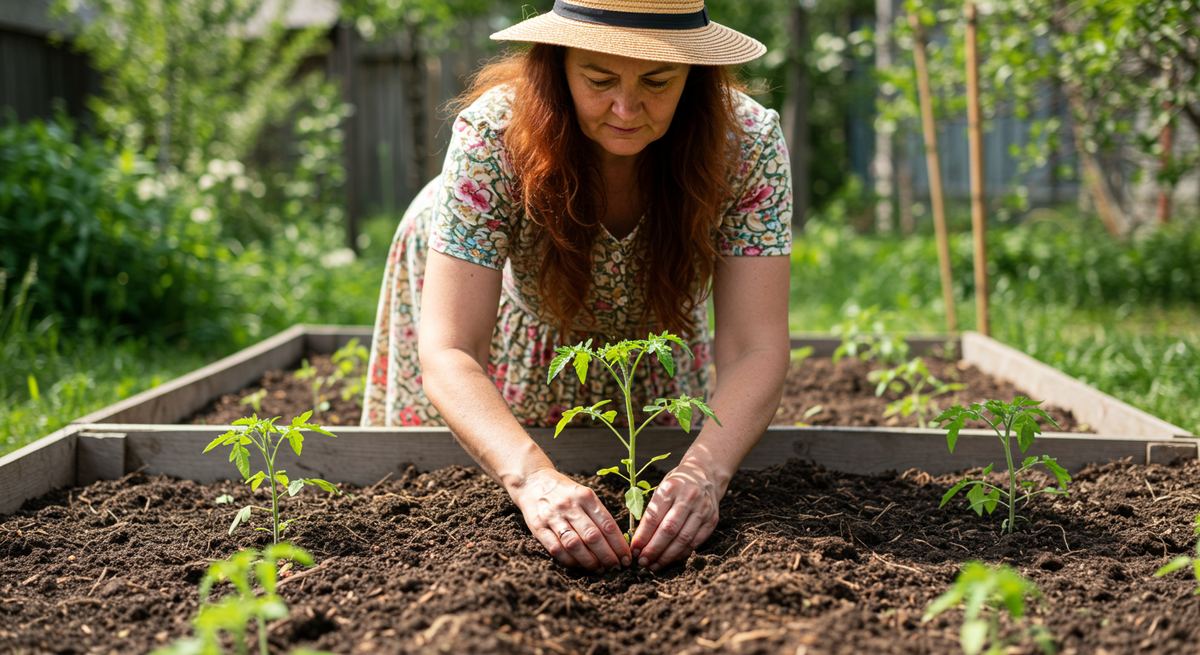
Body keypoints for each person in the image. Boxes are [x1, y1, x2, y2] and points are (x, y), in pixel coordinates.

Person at [362, 0, 792, 574]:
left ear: (696, 74)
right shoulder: (494, 137)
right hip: (502, 308)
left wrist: (702, 474)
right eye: (599, 79)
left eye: (658, 80)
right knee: (447, 492)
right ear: (558, 65)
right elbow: (450, 349)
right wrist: (533, 477)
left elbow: (755, 345)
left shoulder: (746, 145)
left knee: (656, 486)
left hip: (652, 326)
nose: (626, 107)